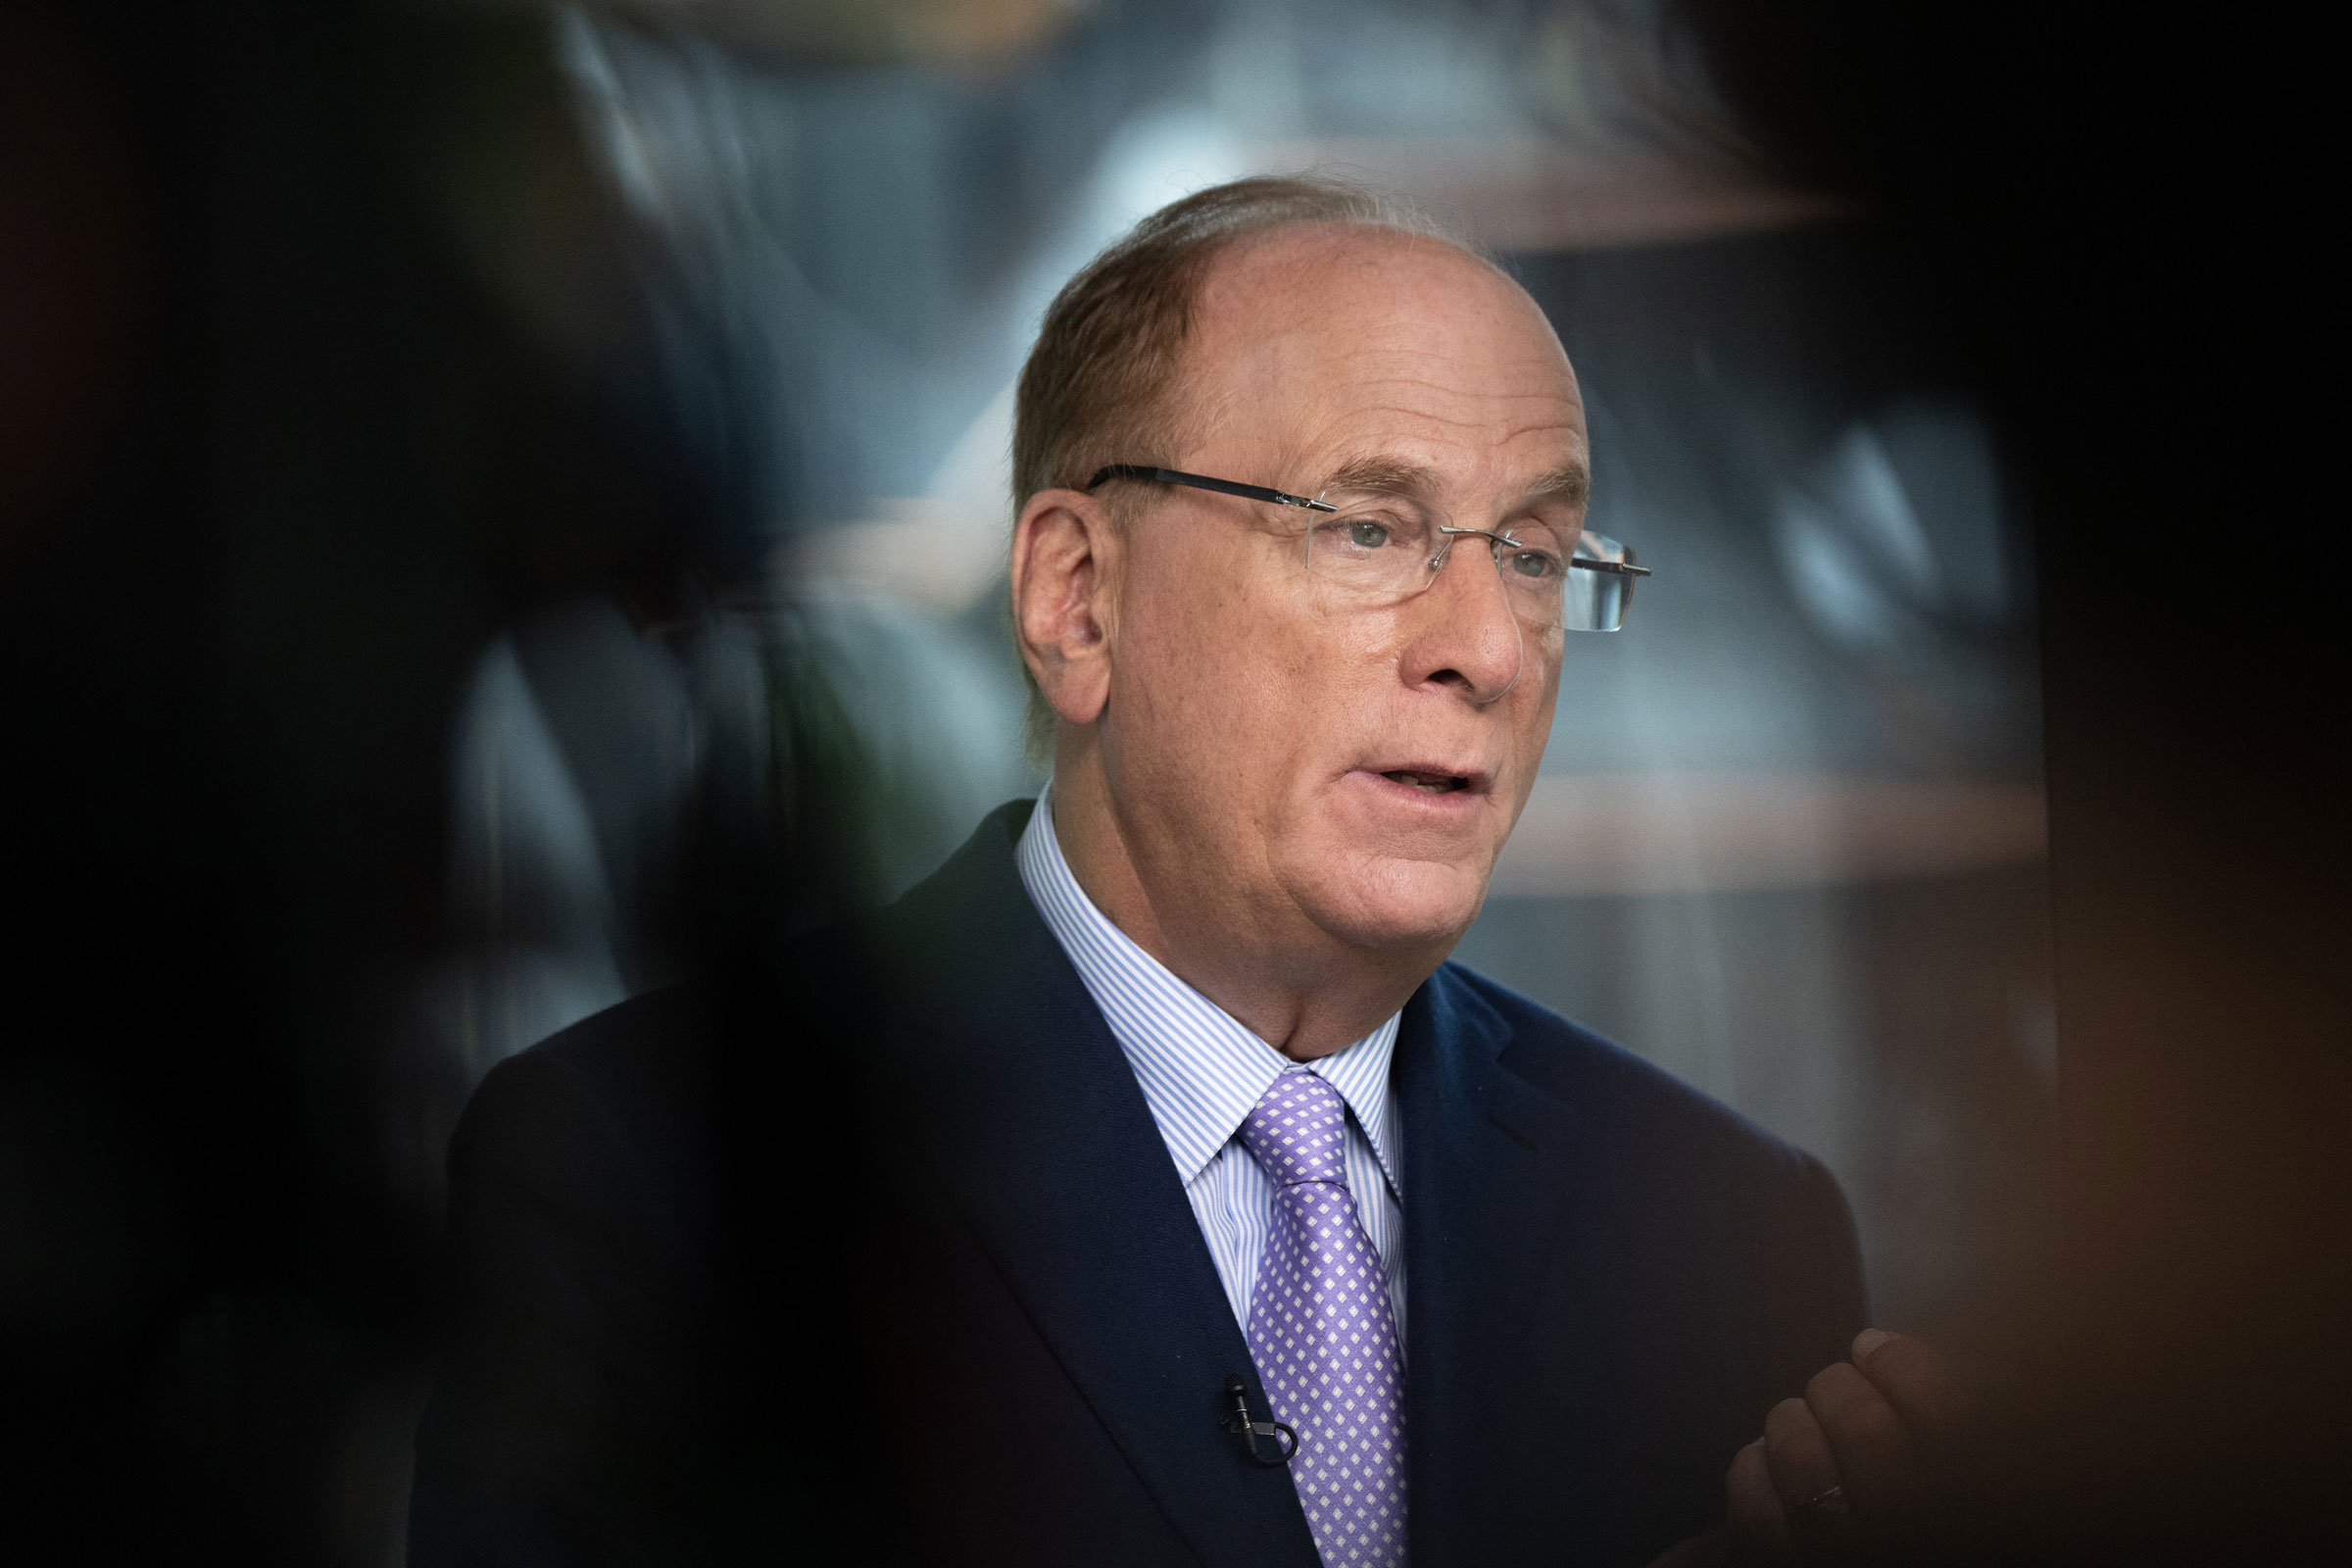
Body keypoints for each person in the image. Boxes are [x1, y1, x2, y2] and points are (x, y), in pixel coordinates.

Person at [409, 176, 1969, 1568]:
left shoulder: (1733, 1230)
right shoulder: (646, 1175)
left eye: (1541, 559)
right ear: (1078, 601)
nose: (1490, 651)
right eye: (1368, 530)